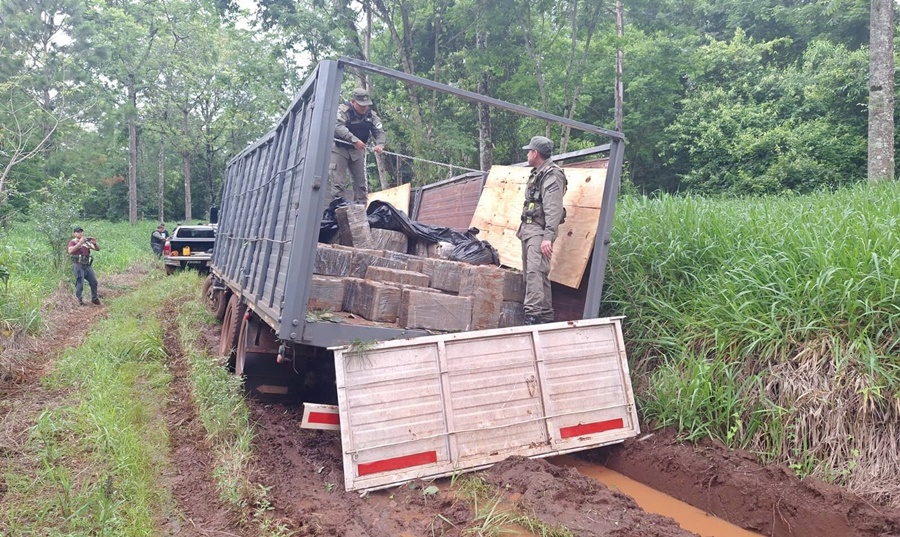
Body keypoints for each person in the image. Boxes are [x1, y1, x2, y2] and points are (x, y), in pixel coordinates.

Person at [516, 136, 567, 325]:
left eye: (529, 151)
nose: (527, 154)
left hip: (539, 232)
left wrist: (548, 237)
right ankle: (545, 317)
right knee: (536, 273)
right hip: (530, 230)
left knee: (534, 274)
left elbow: (553, 209)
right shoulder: (539, 172)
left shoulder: (552, 175)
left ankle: (533, 317)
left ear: (535, 153)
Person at [329, 87, 386, 204]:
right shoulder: (343, 110)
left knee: (361, 185)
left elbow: (379, 131)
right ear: (353, 101)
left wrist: (380, 144)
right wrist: (354, 140)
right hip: (340, 149)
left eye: (366, 105)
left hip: (358, 151)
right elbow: (338, 126)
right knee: (338, 183)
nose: (364, 108)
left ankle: (361, 211)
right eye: (361, 105)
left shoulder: (372, 115)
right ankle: (338, 209)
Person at [67, 226, 101, 306]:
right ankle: (79, 301)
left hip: (87, 264)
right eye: (78, 232)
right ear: (74, 233)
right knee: (80, 283)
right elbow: (70, 251)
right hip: (78, 265)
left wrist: (94, 243)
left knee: (94, 282)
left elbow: (97, 249)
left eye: (81, 232)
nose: (80, 233)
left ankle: (94, 298)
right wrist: (80, 243)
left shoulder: (86, 242)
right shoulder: (73, 242)